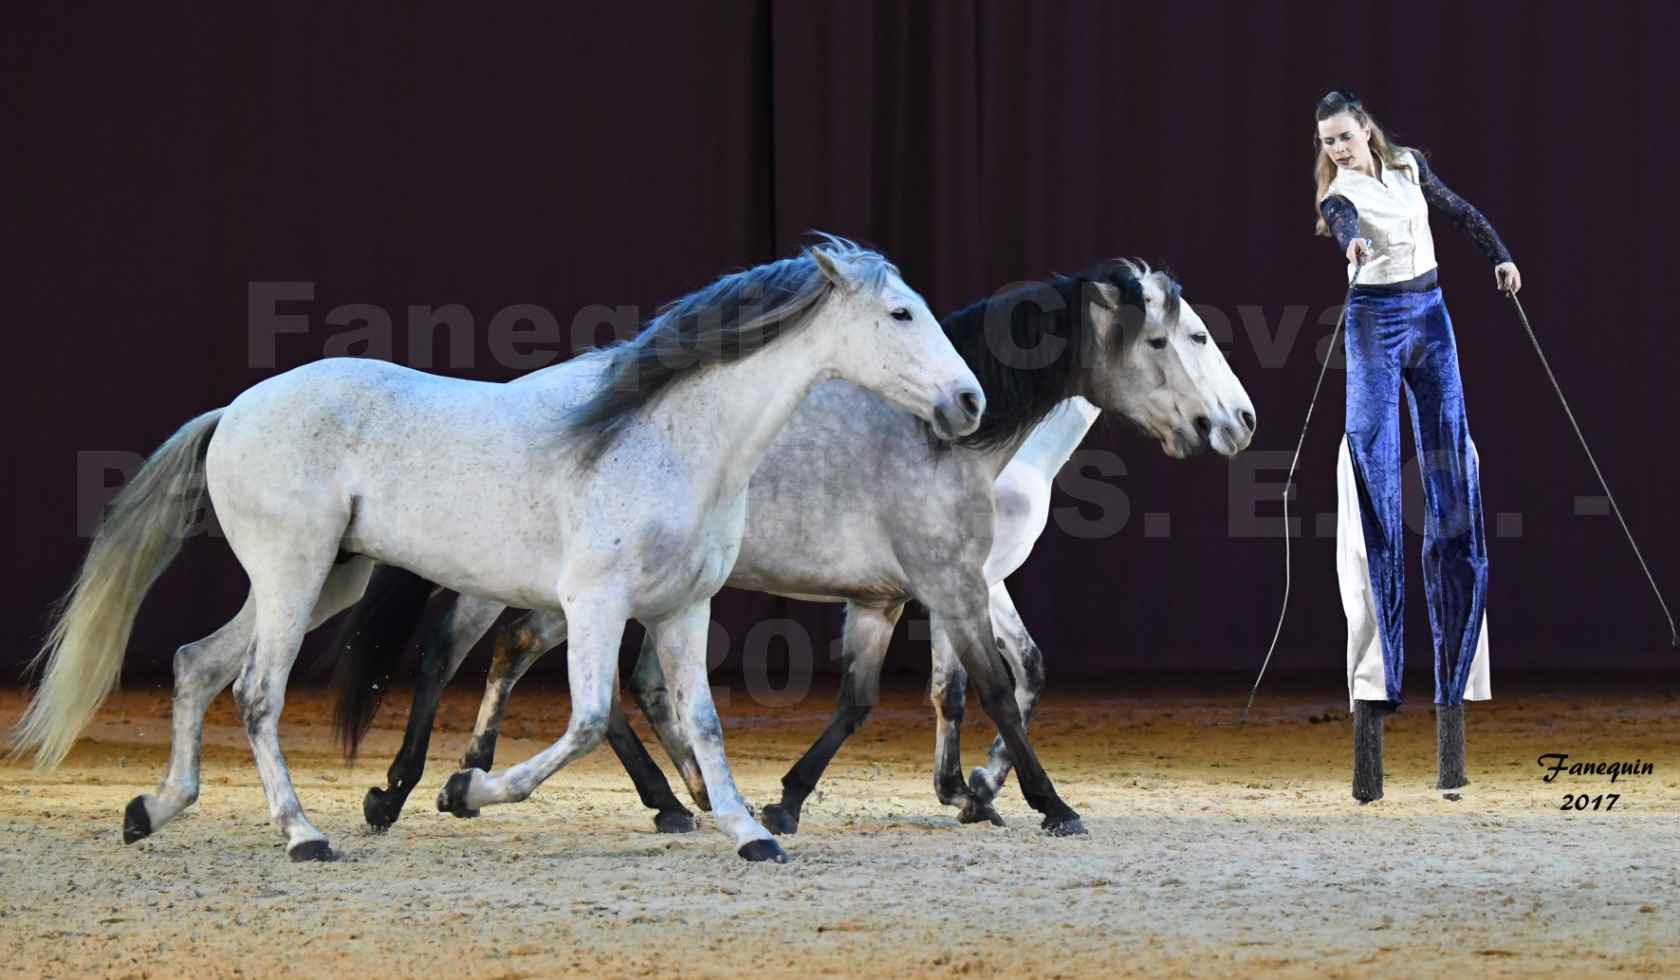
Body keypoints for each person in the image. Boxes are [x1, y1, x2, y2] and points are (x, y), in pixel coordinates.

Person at [1312, 89, 1521, 803]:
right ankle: (1371, 751)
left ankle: (1451, 746)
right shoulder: (1339, 192)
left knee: (1453, 484)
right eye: (1327, 142)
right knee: (1372, 479)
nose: (1337, 149)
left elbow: (1460, 212)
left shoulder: (1406, 167)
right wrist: (1352, 244)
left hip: (1431, 316)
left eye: (1344, 135)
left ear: (1365, 128)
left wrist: (1499, 257)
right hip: (1374, 322)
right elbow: (1340, 221)